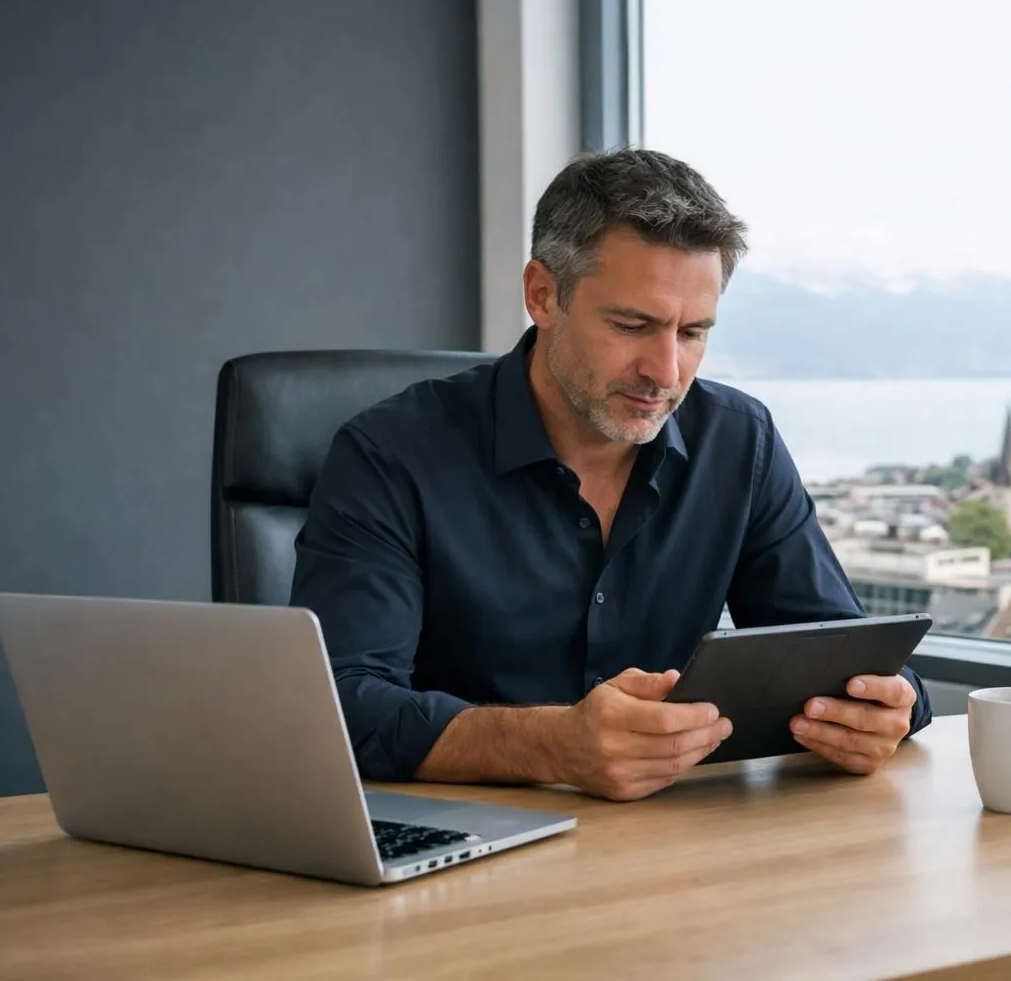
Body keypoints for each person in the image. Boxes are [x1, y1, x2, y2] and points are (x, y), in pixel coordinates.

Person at [290, 148, 932, 802]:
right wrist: (552, 745)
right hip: (455, 853)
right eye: (633, 325)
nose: (667, 372)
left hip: (669, 851)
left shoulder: (741, 442)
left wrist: (887, 706)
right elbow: (341, 706)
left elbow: (848, 653)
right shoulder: (389, 454)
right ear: (542, 295)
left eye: (692, 332)